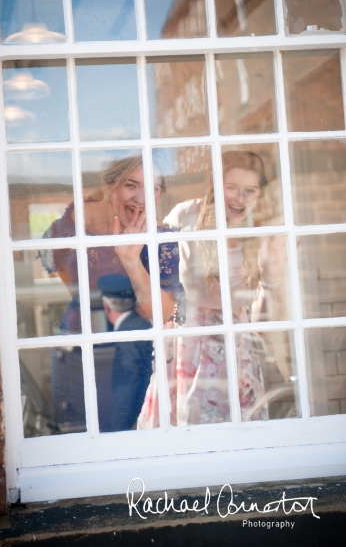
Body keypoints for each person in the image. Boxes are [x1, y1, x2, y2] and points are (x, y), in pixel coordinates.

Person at [141, 150, 287, 427]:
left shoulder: (260, 233)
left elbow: (259, 327)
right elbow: (156, 277)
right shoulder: (186, 215)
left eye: (250, 190)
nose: (239, 198)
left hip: (234, 352)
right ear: (215, 186)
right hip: (186, 345)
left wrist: (269, 276)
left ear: (259, 194)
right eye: (231, 187)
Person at [43, 155, 182, 432]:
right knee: (72, 436)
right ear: (109, 186)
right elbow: (64, 269)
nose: (141, 198)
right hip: (75, 349)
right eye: (131, 185)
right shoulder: (74, 223)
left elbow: (165, 313)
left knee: (118, 436)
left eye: (152, 188)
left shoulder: (160, 239)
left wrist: (131, 260)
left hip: (130, 355)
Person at [93, 274, 154, 432]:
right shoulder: (142, 324)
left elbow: (129, 384)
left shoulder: (126, 333)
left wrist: (116, 428)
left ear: (106, 307)